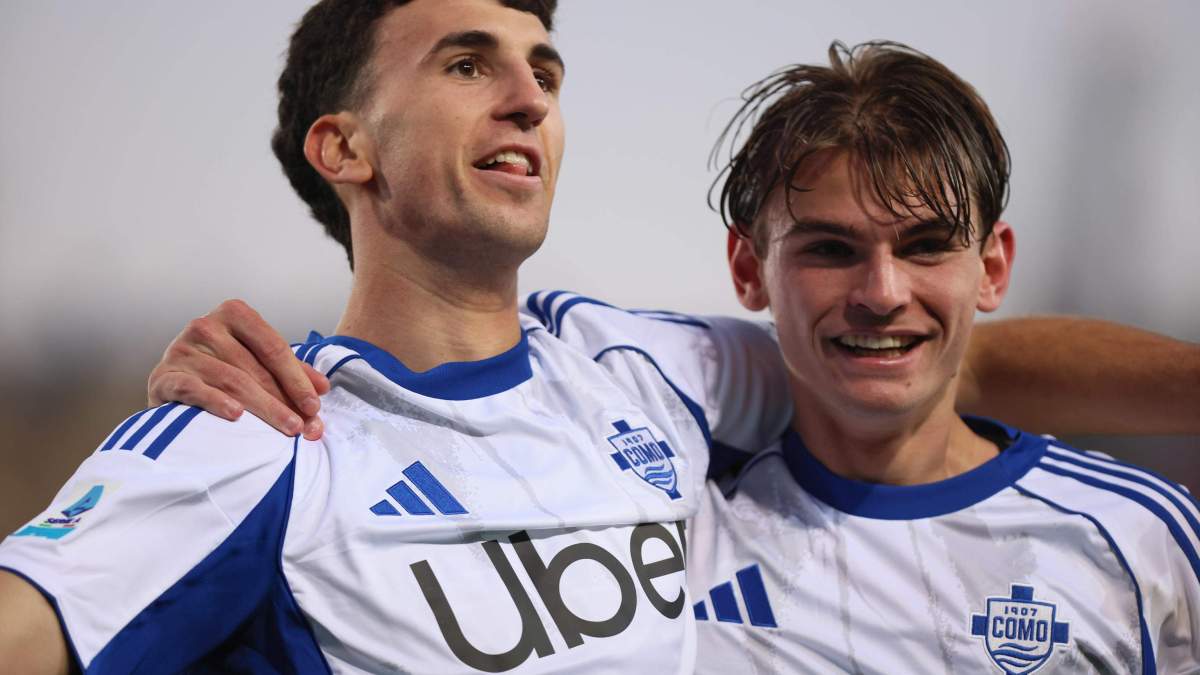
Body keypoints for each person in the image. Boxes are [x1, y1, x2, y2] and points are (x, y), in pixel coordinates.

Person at [2, 2, 1196, 672]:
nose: (529, 96)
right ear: (344, 147)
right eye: (466, 64)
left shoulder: (646, 373)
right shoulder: (251, 432)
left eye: (544, 70)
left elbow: (946, 357)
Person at [683, 42, 1198, 673]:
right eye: (831, 250)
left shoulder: (1139, 538)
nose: (882, 294)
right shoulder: (676, 535)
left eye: (926, 246)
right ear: (748, 269)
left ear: (992, 268)